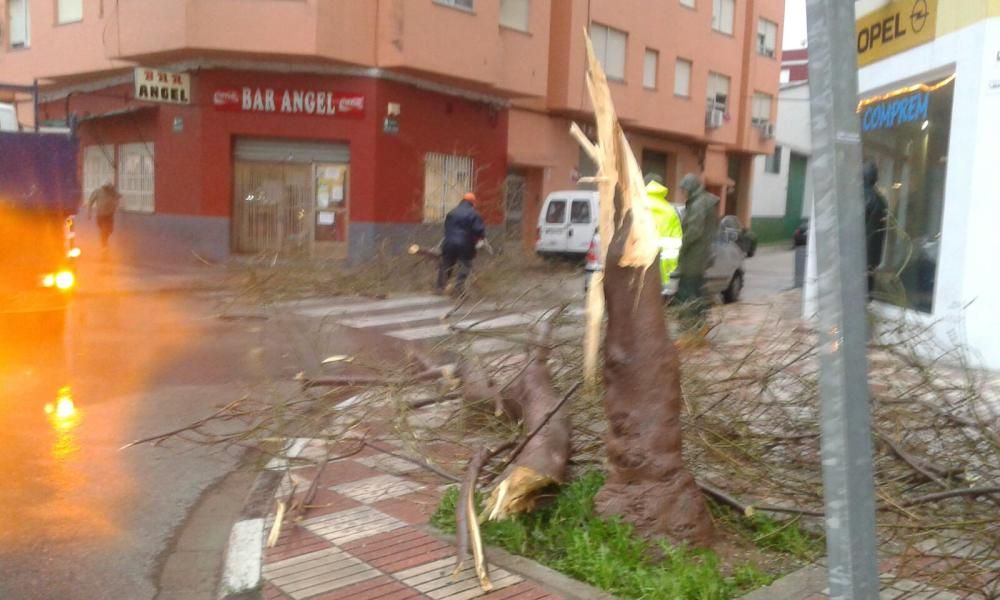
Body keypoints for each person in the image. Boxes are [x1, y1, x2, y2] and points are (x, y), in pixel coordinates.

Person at [675, 173, 720, 337]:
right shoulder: (704, 201)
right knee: (697, 289)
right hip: (701, 255)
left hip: (694, 256)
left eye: (685, 189)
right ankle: (700, 324)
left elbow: (694, 230)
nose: (684, 193)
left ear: (692, 187)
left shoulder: (698, 204)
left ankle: (690, 325)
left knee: (688, 290)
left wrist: (683, 244)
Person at [436, 192, 485, 297]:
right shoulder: (474, 214)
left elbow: (446, 228)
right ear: (472, 202)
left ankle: (440, 287)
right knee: (465, 264)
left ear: (462, 200)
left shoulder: (452, 212)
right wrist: (481, 239)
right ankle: (458, 288)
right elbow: (478, 229)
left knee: (446, 263)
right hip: (465, 243)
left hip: (449, 242)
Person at [644, 175, 683, 291]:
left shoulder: (635, 207)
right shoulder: (671, 211)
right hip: (663, 273)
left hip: (638, 270)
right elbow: (677, 243)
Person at [863, 161, 888, 300]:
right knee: (867, 290)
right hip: (873, 254)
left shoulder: (857, 197)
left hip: (857, 254)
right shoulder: (881, 199)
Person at [87, 182, 121, 251]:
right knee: (103, 230)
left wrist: (117, 204)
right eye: (106, 187)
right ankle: (104, 245)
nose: (107, 189)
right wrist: (89, 212)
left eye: (109, 187)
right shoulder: (98, 191)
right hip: (101, 215)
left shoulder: (112, 192)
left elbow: (118, 197)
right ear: (103, 186)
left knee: (110, 230)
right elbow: (90, 201)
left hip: (109, 214)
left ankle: (105, 241)